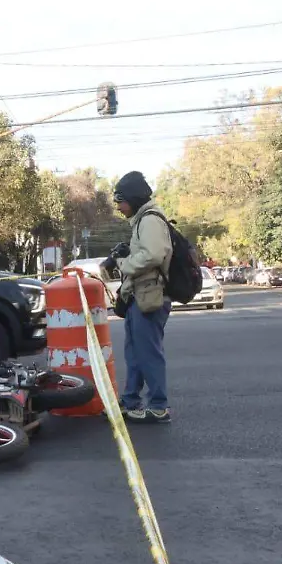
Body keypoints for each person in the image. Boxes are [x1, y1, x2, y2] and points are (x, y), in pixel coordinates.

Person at [102, 171, 173, 424]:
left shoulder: (150, 220)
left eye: (120, 201)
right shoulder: (142, 220)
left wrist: (124, 262)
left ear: (133, 198)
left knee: (148, 354)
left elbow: (153, 255)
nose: (119, 207)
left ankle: (158, 407)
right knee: (134, 354)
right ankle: (130, 400)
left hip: (150, 296)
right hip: (139, 296)